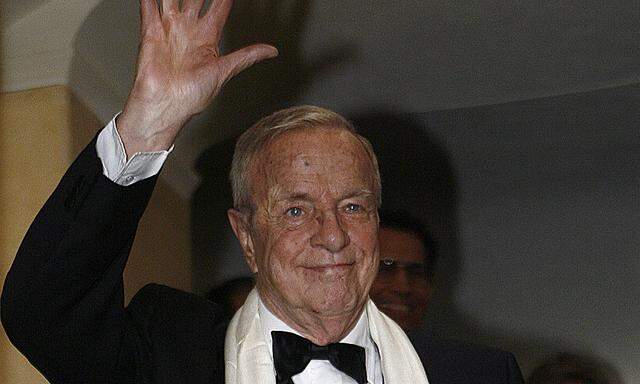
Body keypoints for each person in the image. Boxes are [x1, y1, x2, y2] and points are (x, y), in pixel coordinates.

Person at [1, 1, 523, 383]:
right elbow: (45, 312)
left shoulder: (476, 374)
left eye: (353, 207)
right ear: (247, 236)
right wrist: (148, 124)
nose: (333, 237)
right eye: (296, 210)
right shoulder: (170, 354)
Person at [370, 209, 437, 332]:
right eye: (385, 270)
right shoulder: (327, 348)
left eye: (415, 273)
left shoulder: (453, 350)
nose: (403, 287)